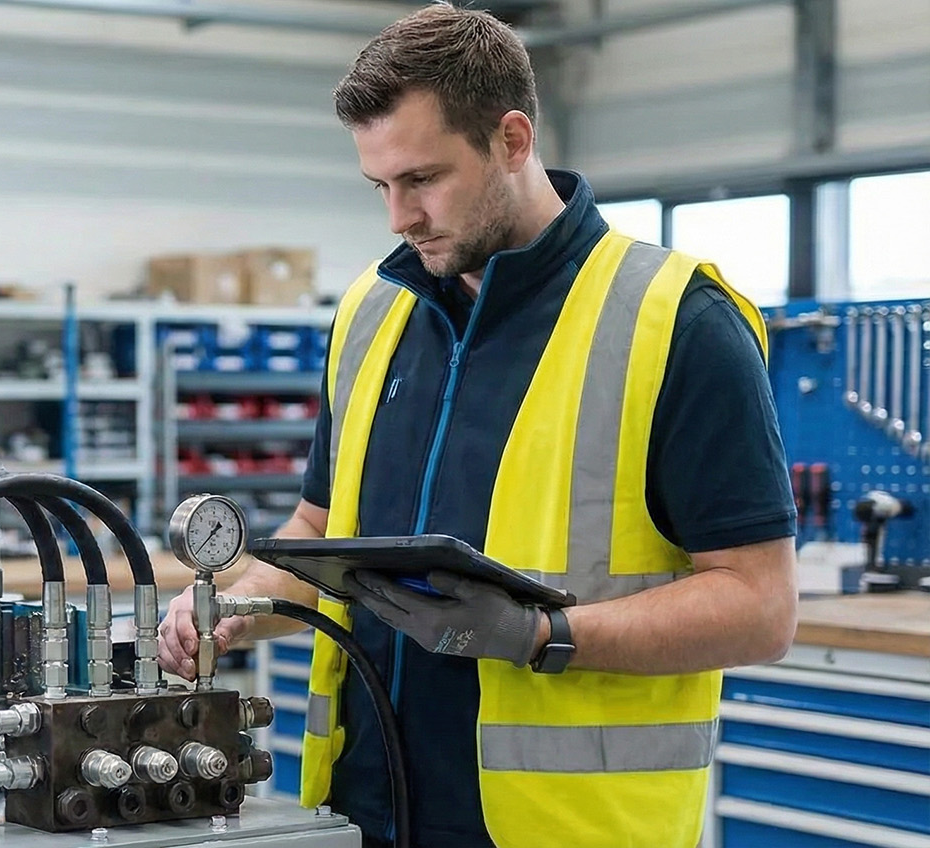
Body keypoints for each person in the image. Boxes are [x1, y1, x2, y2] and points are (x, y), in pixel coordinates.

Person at [155, 4, 798, 848]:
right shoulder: (372, 313)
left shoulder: (677, 321)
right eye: (380, 187)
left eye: (422, 179)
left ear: (513, 140)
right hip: (360, 814)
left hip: (567, 830)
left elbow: (760, 605)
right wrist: (237, 604)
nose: (398, 217)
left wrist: (542, 636)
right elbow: (319, 535)